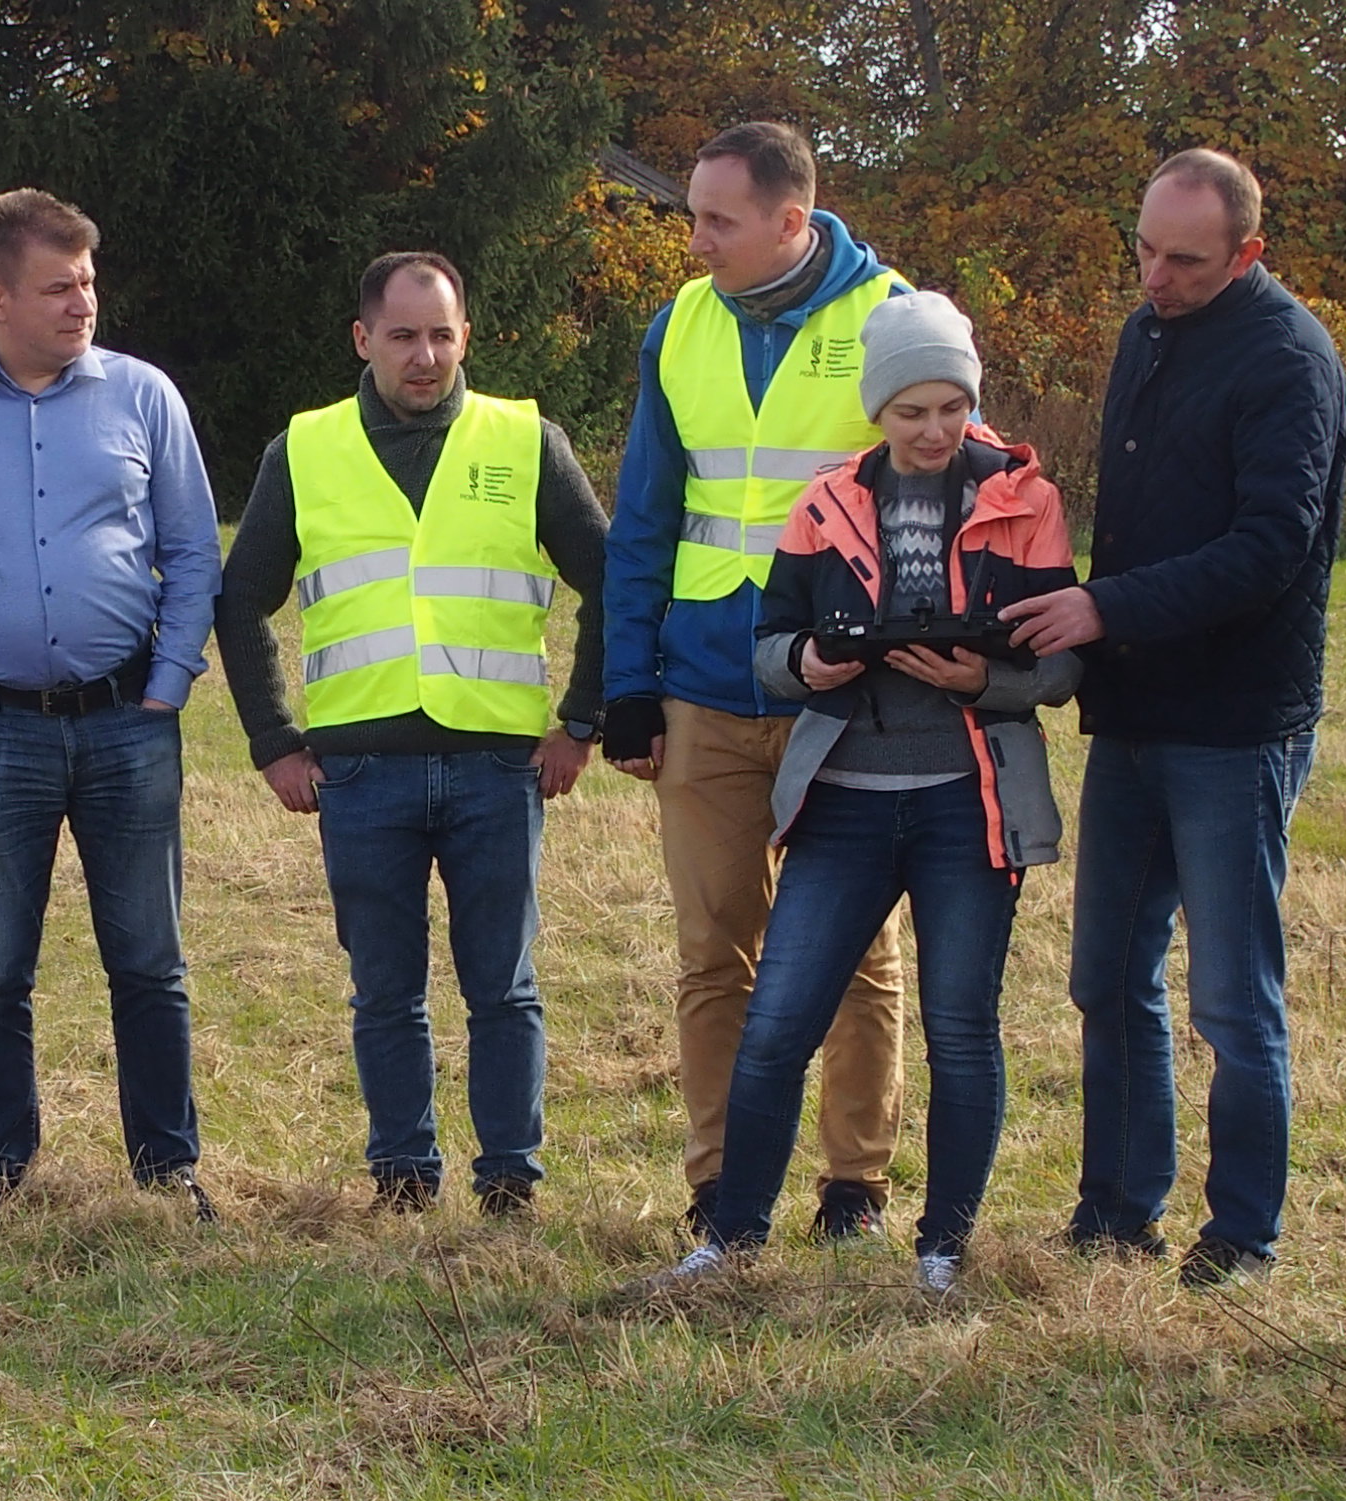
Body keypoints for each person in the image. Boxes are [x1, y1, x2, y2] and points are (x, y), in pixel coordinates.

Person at [641, 292, 1079, 1296]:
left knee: (959, 1028)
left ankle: (941, 1252)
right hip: (841, 799)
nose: (931, 432)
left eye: (949, 409)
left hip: (967, 803)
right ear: (874, 410)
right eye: (908, 411)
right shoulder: (825, 502)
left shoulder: (1025, 501)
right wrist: (809, 663)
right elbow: (770, 647)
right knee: (778, 1022)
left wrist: (983, 680)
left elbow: (1059, 665)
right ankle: (731, 1241)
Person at [997, 148, 1346, 1291]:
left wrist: (1102, 607)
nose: (1154, 274)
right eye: (1142, 249)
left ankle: (1241, 1234)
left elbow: (1267, 548)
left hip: (1235, 722)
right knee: (1104, 974)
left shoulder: (1288, 360)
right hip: (1135, 711)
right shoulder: (1143, 333)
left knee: (1231, 1002)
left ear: (1247, 253)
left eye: (1184, 260)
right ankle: (1115, 1210)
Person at [0, 189, 224, 1221]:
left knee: (149, 960)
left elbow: (194, 550)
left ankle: (166, 1173)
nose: (81, 304)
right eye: (58, 287)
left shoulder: (144, 397)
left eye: (88, 283)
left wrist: (169, 677)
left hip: (128, 727)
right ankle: (2, 1180)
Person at [217, 252, 608, 1215]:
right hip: (359, 776)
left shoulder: (526, 441)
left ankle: (510, 1180)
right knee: (385, 993)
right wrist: (274, 741)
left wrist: (584, 722)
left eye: (441, 334)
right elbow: (240, 601)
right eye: (402, 336)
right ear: (364, 340)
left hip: (498, 767)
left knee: (503, 990)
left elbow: (615, 580)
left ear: (465, 335)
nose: (424, 356)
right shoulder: (303, 451)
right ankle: (403, 1182)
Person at [600, 120, 912, 1244]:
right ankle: (721, 1186)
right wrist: (624, 682)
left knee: (854, 951)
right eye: (692, 215)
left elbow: (939, 505)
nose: (694, 242)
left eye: (716, 221)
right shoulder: (679, 324)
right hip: (701, 689)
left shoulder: (892, 320)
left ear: (791, 222)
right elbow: (642, 518)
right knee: (710, 951)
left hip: (843, 696)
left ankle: (852, 1187)